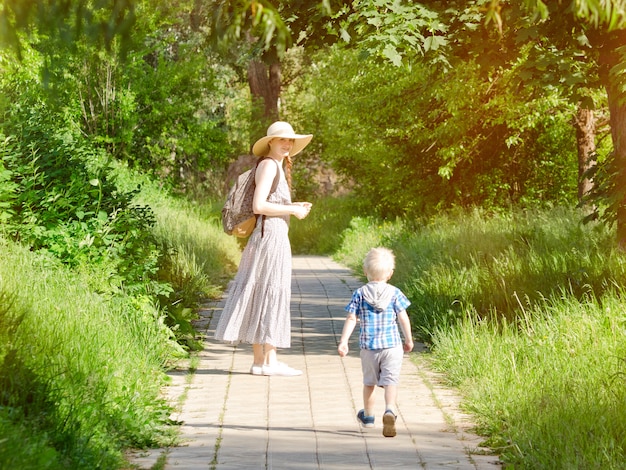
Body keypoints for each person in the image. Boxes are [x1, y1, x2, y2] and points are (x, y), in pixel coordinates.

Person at [214, 121, 313, 377]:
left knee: (265, 293)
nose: (287, 144)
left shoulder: (275, 166)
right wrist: (292, 209)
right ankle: (268, 362)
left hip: (271, 236)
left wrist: (292, 205)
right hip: (270, 238)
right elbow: (259, 206)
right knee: (271, 292)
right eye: (282, 139)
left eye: (290, 140)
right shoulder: (269, 165)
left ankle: (263, 361)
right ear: (270, 142)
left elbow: (269, 203)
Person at [338, 247, 414, 437]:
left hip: (369, 347)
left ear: (365, 272)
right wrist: (409, 339)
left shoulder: (360, 293)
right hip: (392, 346)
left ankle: (369, 417)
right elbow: (403, 318)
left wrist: (344, 341)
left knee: (369, 383)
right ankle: (389, 410)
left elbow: (351, 318)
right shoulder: (395, 293)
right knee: (390, 382)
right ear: (390, 273)